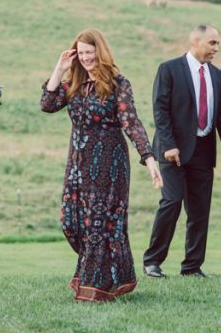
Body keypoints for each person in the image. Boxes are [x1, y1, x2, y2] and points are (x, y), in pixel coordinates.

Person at [41, 29, 162, 301]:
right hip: (78, 164)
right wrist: (59, 68)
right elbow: (47, 104)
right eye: (81, 53)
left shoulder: (118, 84)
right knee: (72, 222)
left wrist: (149, 158)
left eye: (89, 53)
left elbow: (131, 123)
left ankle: (94, 289)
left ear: (100, 52)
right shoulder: (73, 84)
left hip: (110, 162)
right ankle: (114, 275)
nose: (85, 58)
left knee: (99, 224)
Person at [142, 25, 221, 279]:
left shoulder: (217, 76)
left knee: (199, 210)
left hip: (203, 150)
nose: (216, 49)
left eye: (217, 44)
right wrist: (169, 144)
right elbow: (160, 111)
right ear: (195, 41)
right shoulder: (169, 69)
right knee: (172, 202)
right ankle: (152, 261)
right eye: (212, 43)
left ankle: (192, 266)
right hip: (171, 150)